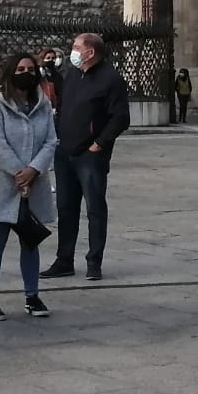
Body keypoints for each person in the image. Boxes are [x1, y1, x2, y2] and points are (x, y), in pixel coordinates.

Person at [42, 33, 130, 281]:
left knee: (94, 208)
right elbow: (63, 107)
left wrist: (100, 143)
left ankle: (94, 261)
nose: (73, 50)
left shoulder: (110, 78)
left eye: (77, 47)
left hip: (90, 154)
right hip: (65, 151)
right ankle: (64, 259)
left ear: (90, 52)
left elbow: (121, 117)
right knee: (66, 208)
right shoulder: (71, 75)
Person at [0, 53, 56, 320]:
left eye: (31, 68)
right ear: (11, 72)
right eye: (21, 68)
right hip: (3, 183)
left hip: (34, 183)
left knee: (30, 242)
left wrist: (34, 169)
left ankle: (32, 296)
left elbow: (50, 140)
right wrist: (18, 172)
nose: (26, 72)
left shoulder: (42, 104)